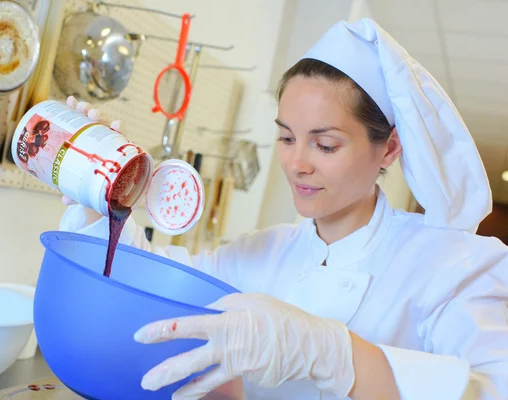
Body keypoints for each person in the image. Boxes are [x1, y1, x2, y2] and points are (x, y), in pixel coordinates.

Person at [59, 19, 508, 400]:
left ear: (388, 149)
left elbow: (493, 387)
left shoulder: (453, 267)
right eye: (287, 138)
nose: (298, 164)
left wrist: (331, 352)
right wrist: (101, 192)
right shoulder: (259, 253)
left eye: (325, 144)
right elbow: (149, 291)